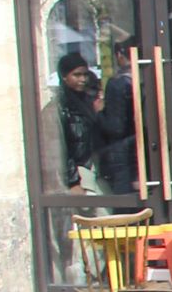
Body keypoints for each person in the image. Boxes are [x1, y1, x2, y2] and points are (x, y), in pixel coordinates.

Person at [95, 40, 141, 194]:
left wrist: (99, 113)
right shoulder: (143, 79)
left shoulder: (117, 84)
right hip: (141, 146)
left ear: (120, 55)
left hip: (122, 153)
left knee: (126, 202)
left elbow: (115, 127)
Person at [54, 52, 103, 192]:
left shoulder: (88, 101)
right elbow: (61, 149)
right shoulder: (61, 107)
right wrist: (73, 181)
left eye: (85, 74)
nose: (83, 79)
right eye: (76, 75)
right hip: (79, 171)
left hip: (96, 167)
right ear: (64, 77)